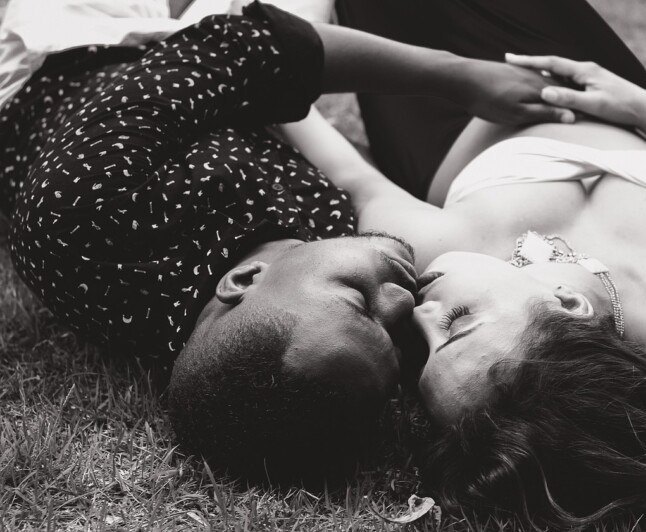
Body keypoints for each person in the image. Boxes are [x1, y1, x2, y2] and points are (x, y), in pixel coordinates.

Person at [270, 0, 646, 526]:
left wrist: (257, 46)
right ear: (569, 305)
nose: (417, 315)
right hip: (596, 80)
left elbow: (337, 157)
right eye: (456, 325)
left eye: (425, 353)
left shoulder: (437, 244)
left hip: (435, 123)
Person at [0, 0, 572, 480]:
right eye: (394, 343)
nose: (405, 302)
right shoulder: (303, 309)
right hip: (211, 75)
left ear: (243, 280)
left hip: (71, 48)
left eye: (357, 300)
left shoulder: (86, 216)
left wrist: (460, 77)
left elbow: (246, 44)